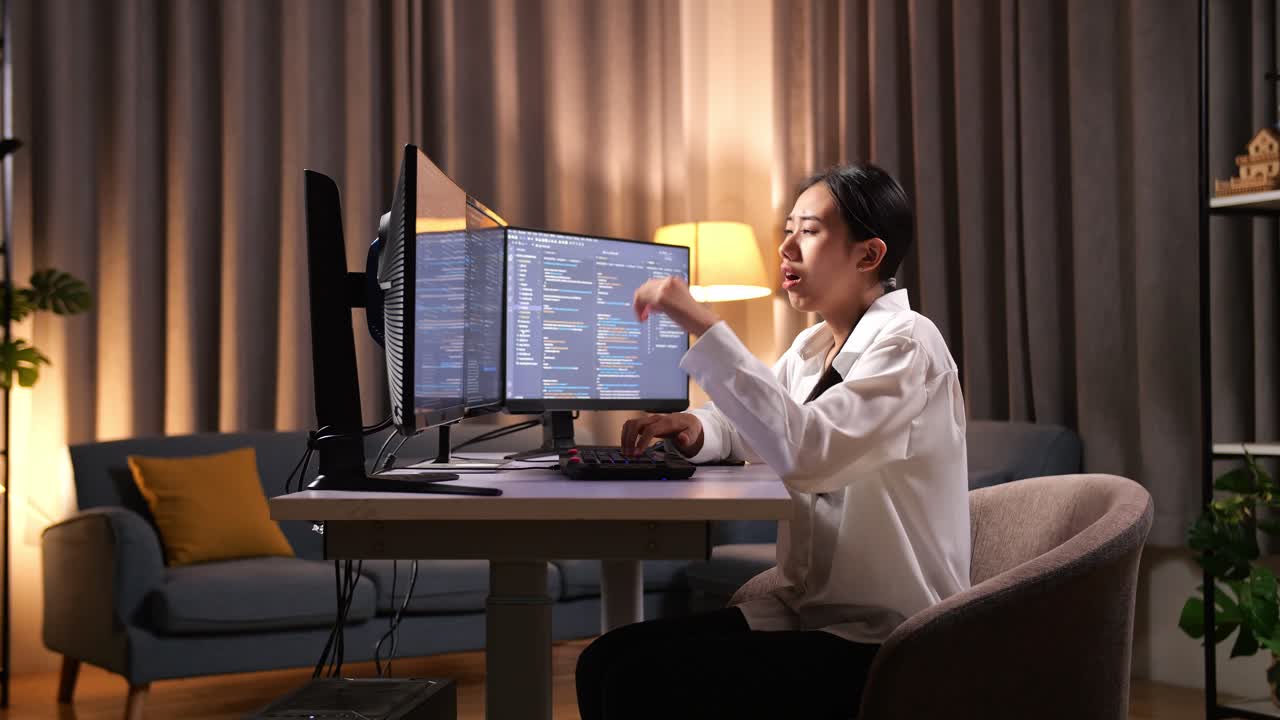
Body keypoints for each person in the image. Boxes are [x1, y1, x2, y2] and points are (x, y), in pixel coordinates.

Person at [574, 164, 971, 719]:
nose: (785, 245)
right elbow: (750, 424)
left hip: (883, 637)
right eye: (789, 227)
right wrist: (697, 429)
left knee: (638, 680)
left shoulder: (909, 345)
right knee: (605, 660)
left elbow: (809, 451)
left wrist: (700, 320)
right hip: (805, 610)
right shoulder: (813, 348)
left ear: (868, 255)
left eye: (808, 230)